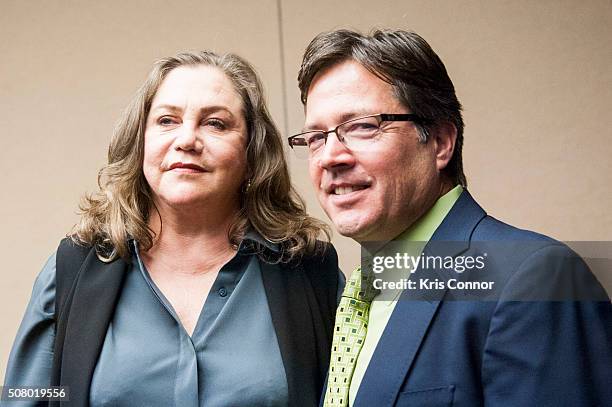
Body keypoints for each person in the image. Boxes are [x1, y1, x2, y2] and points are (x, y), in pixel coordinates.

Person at [288, 29, 612, 406]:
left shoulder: (537, 278)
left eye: (363, 126)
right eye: (315, 137)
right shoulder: (350, 300)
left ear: (441, 142)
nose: (330, 156)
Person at [4, 51, 342, 407]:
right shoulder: (71, 271)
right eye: (167, 120)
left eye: (216, 124)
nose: (187, 140)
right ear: (141, 142)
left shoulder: (309, 273)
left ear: (251, 151)